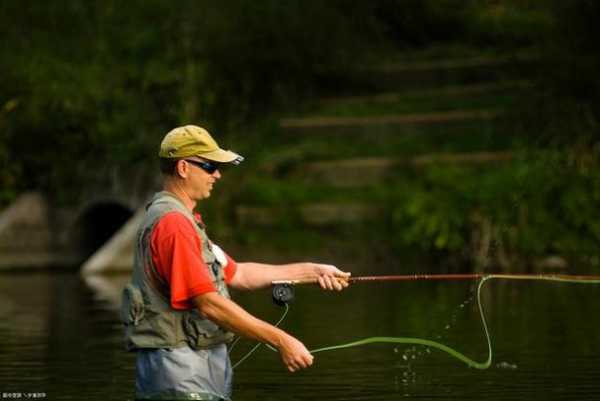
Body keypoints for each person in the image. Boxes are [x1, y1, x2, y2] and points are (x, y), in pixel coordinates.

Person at [121, 125, 351, 401]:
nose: (217, 174)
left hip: (194, 366)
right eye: (209, 166)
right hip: (179, 371)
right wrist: (281, 339)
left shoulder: (184, 220)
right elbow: (208, 302)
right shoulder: (173, 225)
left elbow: (239, 273)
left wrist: (313, 271)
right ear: (183, 167)